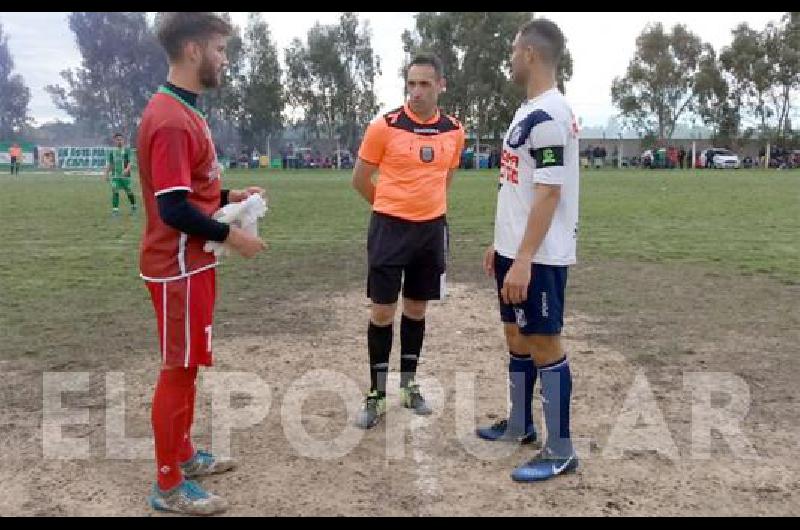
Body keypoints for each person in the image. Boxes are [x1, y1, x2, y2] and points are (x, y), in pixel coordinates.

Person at [137, 12, 267, 515]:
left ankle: (184, 455)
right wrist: (234, 235)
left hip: (190, 263)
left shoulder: (184, 111)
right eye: (218, 48)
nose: (224, 57)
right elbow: (172, 209)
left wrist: (232, 195)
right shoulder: (169, 118)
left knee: (189, 367)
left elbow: (189, 190)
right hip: (178, 267)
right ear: (193, 49)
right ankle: (168, 485)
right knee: (178, 368)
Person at [477, 18, 580, 482]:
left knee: (543, 342)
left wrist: (521, 259)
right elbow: (517, 183)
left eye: (515, 49)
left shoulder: (551, 114)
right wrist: (501, 247)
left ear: (532, 55)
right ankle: (521, 426)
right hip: (514, 251)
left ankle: (560, 450)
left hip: (537, 257)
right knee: (516, 338)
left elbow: (549, 193)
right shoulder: (528, 110)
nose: (511, 56)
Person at [351, 53, 465, 429]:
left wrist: (427, 209)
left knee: (417, 310)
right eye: (411, 84)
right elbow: (361, 179)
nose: (416, 92)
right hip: (389, 229)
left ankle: (409, 384)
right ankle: (377, 392)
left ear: (441, 86)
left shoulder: (454, 130)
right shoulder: (383, 126)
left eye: (424, 84)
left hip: (431, 232)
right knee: (382, 311)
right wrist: (389, 206)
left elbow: (446, 178)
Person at [104, 133, 137, 216]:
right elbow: (110, 164)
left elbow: (130, 162)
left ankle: (134, 207)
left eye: (121, 139)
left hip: (125, 176)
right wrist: (106, 174)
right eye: (117, 140)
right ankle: (115, 211)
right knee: (115, 191)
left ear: (123, 140)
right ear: (115, 141)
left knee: (129, 192)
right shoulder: (112, 152)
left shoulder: (127, 150)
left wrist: (127, 169)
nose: (119, 141)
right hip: (115, 176)